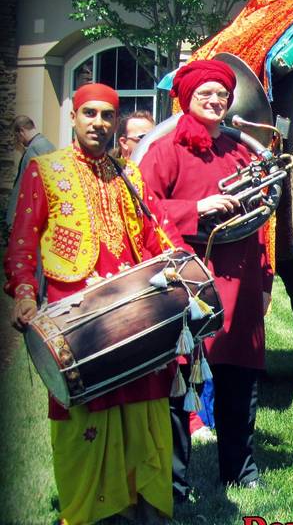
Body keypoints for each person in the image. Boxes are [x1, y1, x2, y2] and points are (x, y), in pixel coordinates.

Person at [4, 82, 183, 525]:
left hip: (134, 312)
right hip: (79, 321)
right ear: (74, 117)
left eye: (107, 116)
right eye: (90, 114)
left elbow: (155, 231)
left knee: (143, 407)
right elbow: (22, 242)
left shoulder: (129, 175)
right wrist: (24, 294)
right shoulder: (45, 171)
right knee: (82, 411)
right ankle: (90, 511)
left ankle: (142, 507)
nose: (98, 124)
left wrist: (182, 265)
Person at [138, 59, 273, 501]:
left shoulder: (243, 150)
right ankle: (174, 482)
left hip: (243, 282)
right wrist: (198, 209)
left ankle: (241, 470)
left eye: (221, 95)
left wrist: (267, 277)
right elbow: (144, 211)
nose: (216, 102)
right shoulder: (166, 149)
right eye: (206, 95)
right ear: (187, 99)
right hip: (190, 281)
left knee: (240, 382)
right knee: (180, 386)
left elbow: (262, 217)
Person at [6, 114, 55, 233]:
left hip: (29, 217)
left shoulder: (34, 150)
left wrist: (12, 220)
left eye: (15, 136)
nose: (17, 140)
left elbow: (26, 187)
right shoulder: (48, 145)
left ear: (21, 131)